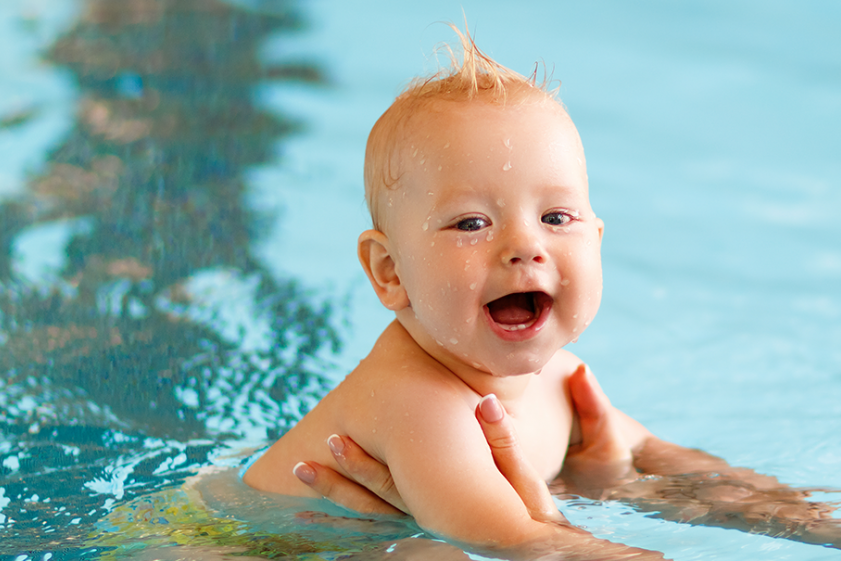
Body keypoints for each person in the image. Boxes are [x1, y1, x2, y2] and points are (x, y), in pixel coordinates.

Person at [243, 28, 665, 559]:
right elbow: (528, 544)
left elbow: (670, 466)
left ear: (597, 240)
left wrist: (777, 511)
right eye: (471, 223)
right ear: (391, 271)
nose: (525, 246)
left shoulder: (563, 380)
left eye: (556, 217)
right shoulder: (417, 403)